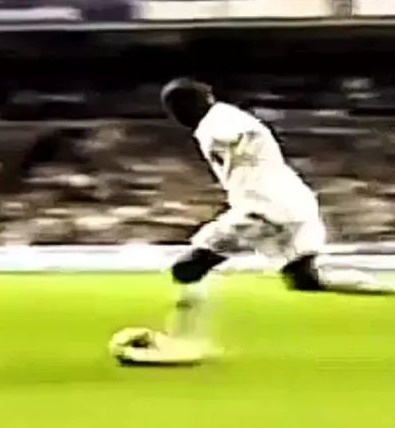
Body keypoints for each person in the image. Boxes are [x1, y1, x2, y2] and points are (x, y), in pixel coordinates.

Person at [157, 77, 394, 347]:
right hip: (293, 203)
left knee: (186, 268)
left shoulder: (220, 119)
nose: (175, 114)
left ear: (200, 101)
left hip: (264, 209)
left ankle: (181, 341)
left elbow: (236, 132)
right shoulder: (215, 122)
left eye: (177, 105)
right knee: (305, 280)